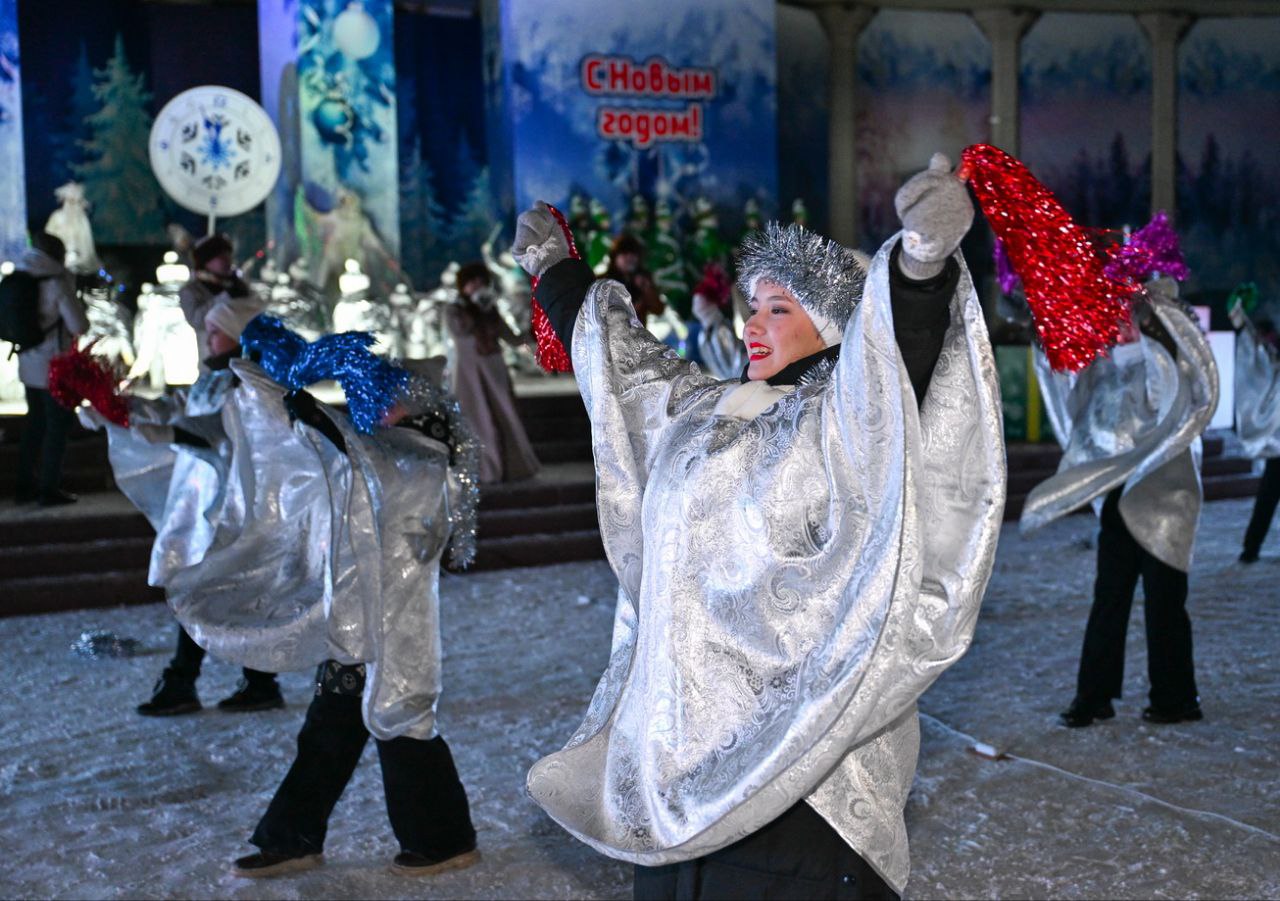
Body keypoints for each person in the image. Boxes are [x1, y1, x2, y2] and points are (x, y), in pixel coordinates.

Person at [510, 152, 1005, 899]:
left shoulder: (843, 424)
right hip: (681, 774)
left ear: (836, 324)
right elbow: (623, 364)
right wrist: (555, 272)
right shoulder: (704, 410)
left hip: (805, 787)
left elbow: (900, 362)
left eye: (781, 308)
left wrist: (921, 268)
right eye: (754, 305)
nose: (753, 322)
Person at [147, 316, 479, 878]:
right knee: (328, 730)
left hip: (395, 633)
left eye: (384, 397)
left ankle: (443, 839)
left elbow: (376, 474)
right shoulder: (387, 449)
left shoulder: (425, 461)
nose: (366, 403)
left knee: (403, 728)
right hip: (354, 625)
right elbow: (341, 467)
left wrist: (320, 419)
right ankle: (291, 836)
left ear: (418, 407)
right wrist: (289, 409)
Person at [1024, 278, 1218, 728]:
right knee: (1108, 600)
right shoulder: (1100, 367)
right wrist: (1045, 332)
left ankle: (1175, 698)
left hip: (1166, 500)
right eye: (1110, 316)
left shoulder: (1167, 364)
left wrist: (1135, 339)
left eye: (1123, 315)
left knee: (1164, 602)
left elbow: (1164, 401)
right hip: (1118, 500)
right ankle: (1093, 697)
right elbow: (1070, 399)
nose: (1115, 325)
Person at [80, 298, 286, 714]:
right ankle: (253, 681)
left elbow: (223, 432)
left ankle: (186, 681)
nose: (207, 335)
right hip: (198, 499)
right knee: (214, 589)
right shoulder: (212, 375)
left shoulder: (252, 380)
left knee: (200, 587)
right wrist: (119, 412)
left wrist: (173, 432)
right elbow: (178, 407)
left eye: (216, 328)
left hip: (227, 501)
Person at [445, 261, 540, 483]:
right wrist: (478, 310)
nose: (477, 286)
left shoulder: (491, 309)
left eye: (481, 282)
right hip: (469, 374)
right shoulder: (454, 310)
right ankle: (482, 470)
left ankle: (510, 467)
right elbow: (459, 333)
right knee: (476, 419)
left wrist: (534, 331)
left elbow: (512, 338)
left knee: (503, 416)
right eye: (472, 282)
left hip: (493, 370)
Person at [14, 230, 88, 506]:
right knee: (57, 426)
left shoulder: (19, 276)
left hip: (26, 362)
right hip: (54, 365)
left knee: (34, 424)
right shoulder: (56, 281)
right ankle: (49, 487)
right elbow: (79, 326)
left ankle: (24, 485)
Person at [1230, 300, 1280, 563]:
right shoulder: (1269, 355)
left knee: (1267, 499)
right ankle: (1251, 549)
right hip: (1278, 447)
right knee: (1267, 499)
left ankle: (1251, 549)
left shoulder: (1273, 354)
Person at [179, 233, 262, 373]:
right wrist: (226, 296)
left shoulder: (237, 284)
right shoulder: (191, 290)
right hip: (212, 360)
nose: (226, 260)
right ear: (206, 261)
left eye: (227, 255)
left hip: (244, 356)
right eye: (219, 257)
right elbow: (197, 320)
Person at [604, 234, 664, 326]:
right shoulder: (603, 281)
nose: (630, 258)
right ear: (615, 257)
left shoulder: (644, 279)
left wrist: (646, 289)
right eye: (625, 253)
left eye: (633, 254)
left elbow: (658, 309)